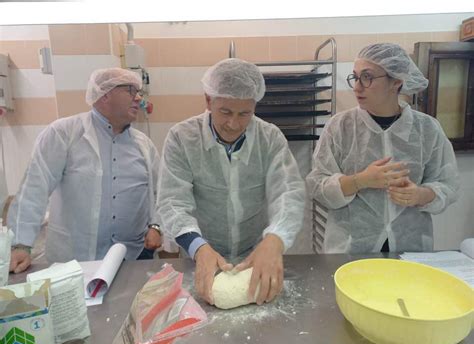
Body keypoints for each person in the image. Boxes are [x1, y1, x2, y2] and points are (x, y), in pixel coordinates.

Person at [157, 58, 305, 306]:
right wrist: (198, 248)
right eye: (225, 112)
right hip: (201, 252)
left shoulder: (269, 138)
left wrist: (275, 240)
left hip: (254, 254)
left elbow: (289, 193)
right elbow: (172, 201)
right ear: (208, 100)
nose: (233, 124)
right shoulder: (182, 138)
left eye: (244, 113)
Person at [306, 43, 459, 253]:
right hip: (350, 249)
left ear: (396, 81)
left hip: (410, 248)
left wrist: (421, 195)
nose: (357, 87)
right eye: (355, 77)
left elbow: (447, 184)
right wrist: (360, 181)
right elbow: (317, 185)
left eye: (367, 77)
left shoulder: (427, 129)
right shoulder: (340, 126)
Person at [8, 68, 163, 273]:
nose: (139, 98)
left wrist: (156, 226)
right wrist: (20, 244)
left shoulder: (144, 145)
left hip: (134, 256)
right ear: (104, 94)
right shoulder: (64, 134)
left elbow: (160, 192)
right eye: (130, 90)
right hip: (76, 260)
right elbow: (34, 188)